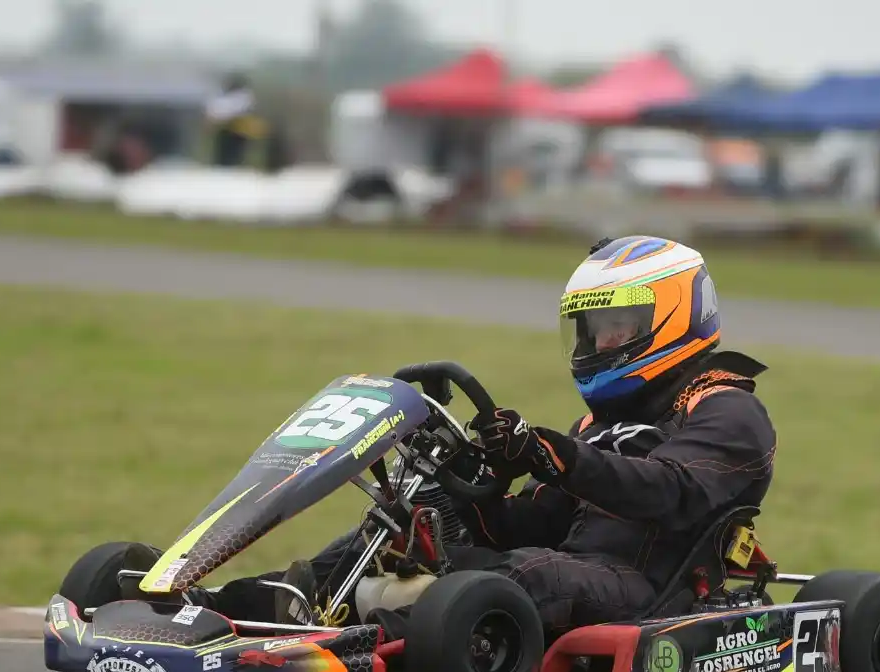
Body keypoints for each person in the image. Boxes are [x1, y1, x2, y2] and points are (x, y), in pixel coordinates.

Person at [196, 235, 777, 640]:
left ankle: (355, 640)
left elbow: (668, 492)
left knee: (524, 574)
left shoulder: (728, 410)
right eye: (593, 329)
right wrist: (482, 484)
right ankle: (226, 611)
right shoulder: (599, 426)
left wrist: (555, 456)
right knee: (399, 533)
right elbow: (535, 526)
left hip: (650, 591)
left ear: (672, 318)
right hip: (574, 569)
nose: (600, 344)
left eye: (618, 327)